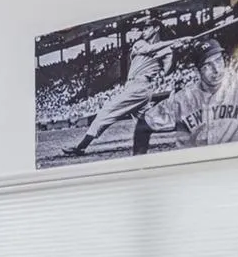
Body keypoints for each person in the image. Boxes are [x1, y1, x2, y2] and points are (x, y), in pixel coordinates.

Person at [59, 19, 180, 158]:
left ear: (156, 28)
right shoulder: (140, 43)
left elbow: (167, 71)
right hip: (133, 87)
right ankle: (187, 124)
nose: (143, 31)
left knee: (106, 111)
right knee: (151, 121)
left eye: (146, 28)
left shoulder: (166, 49)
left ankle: (80, 147)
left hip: (141, 87)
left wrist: (175, 51)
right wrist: (176, 41)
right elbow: (148, 50)